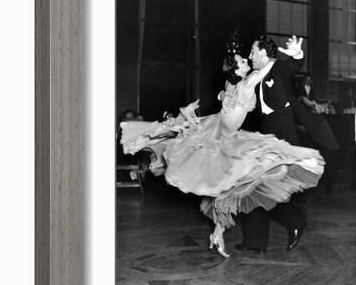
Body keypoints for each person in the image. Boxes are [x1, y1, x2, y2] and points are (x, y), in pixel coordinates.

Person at [120, 49, 324, 258]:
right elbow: (267, 68)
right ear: (236, 69)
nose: (247, 60)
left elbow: (227, 93)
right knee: (230, 187)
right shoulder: (248, 81)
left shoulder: (232, 83)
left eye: (247, 57)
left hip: (221, 133)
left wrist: (224, 94)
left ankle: (220, 234)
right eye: (242, 60)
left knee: (230, 189)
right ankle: (226, 234)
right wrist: (282, 55)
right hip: (222, 137)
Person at [234, 35, 309, 254]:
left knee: (262, 189)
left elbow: (294, 65)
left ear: (265, 54)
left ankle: (294, 221)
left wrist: (297, 54)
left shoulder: (278, 69)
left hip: (281, 141)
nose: (250, 56)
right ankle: (256, 242)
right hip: (263, 137)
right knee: (253, 188)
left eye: (253, 52)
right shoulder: (254, 76)